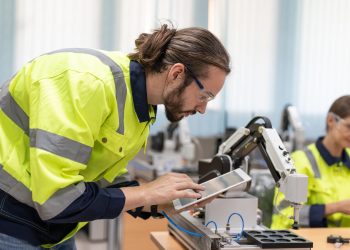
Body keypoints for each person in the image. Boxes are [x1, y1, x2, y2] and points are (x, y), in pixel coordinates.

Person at [0, 24, 230, 249]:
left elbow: (105, 176)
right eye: (205, 96)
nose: (202, 109)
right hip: (11, 218)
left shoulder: (139, 106)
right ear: (177, 73)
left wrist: (161, 201)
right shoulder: (87, 84)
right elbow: (58, 200)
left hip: (53, 226)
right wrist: (145, 192)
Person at [271, 95, 350, 229]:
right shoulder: (300, 161)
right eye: (349, 126)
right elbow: (284, 214)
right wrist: (336, 207)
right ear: (331, 120)